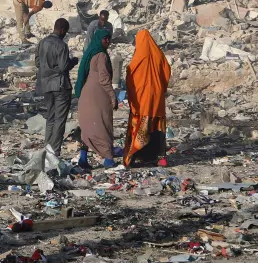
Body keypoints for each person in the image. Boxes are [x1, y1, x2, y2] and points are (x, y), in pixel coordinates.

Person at [124, 29, 171, 167]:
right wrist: (161, 88)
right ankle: (160, 158)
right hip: (157, 100)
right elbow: (167, 72)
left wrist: (132, 95)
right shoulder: (159, 55)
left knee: (139, 127)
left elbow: (130, 76)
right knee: (157, 128)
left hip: (142, 100)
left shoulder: (138, 58)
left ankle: (135, 155)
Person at [74, 27, 117, 168]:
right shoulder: (102, 56)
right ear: (99, 39)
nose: (107, 41)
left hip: (86, 94)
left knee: (87, 128)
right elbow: (104, 79)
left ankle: (83, 159)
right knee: (103, 126)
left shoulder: (90, 53)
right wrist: (112, 96)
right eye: (105, 39)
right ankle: (109, 159)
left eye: (109, 38)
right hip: (98, 96)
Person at [35, 18, 76, 156]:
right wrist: (73, 62)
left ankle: (47, 149)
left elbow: (37, 63)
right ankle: (55, 151)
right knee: (60, 119)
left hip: (46, 85)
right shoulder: (61, 45)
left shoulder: (42, 43)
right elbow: (64, 67)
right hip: (60, 85)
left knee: (50, 118)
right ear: (63, 30)